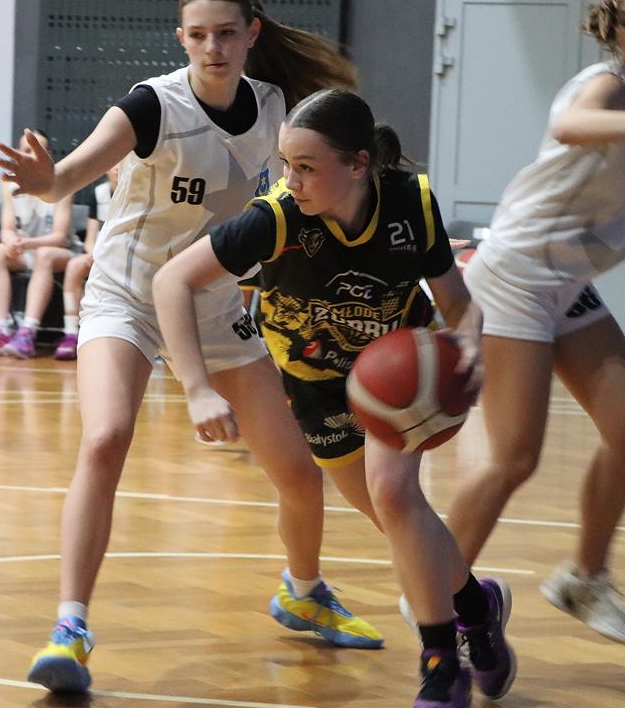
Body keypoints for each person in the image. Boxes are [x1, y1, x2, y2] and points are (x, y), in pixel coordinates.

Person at [0, 0, 377, 695]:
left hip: (215, 304)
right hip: (129, 295)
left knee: (299, 474)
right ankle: (70, 627)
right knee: (105, 438)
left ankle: (303, 592)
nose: (213, 47)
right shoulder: (151, 105)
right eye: (198, 35)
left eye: (226, 33)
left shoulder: (276, 109)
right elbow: (65, 179)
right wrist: (43, 179)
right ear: (181, 38)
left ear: (251, 34)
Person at [153, 89, 517, 708]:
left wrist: (470, 343)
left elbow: (458, 302)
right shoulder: (276, 218)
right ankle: (476, 608)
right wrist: (196, 389)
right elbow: (171, 280)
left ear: (357, 164)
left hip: (397, 375)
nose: (290, 181)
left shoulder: (410, 205)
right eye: (285, 165)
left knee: (394, 495)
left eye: (305, 167)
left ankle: (439, 663)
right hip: (317, 385)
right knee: (395, 518)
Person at [446, 0, 625, 646]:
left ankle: (584, 577)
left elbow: (620, 155)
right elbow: (572, 125)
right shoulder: (610, 84)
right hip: (518, 275)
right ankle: (435, 590)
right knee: (514, 459)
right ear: (614, 28)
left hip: (567, 281)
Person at [0, 130, 76, 358]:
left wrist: (27, 243)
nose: (31, 155)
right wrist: (11, 241)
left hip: (60, 253)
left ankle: (27, 332)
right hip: (26, 250)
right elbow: (7, 228)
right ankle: (0, 329)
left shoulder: (62, 183)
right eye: (26, 150)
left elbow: (60, 237)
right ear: (17, 154)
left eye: (37, 150)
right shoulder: (9, 185)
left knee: (45, 254)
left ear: (48, 154)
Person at [52, 165, 115, 361]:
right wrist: (95, 254)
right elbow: (90, 238)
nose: (117, 168)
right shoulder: (99, 193)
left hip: (124, 258)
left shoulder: (139, 190)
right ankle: (71, 333)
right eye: (114, 164)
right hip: (101, 256)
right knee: (75, 266)